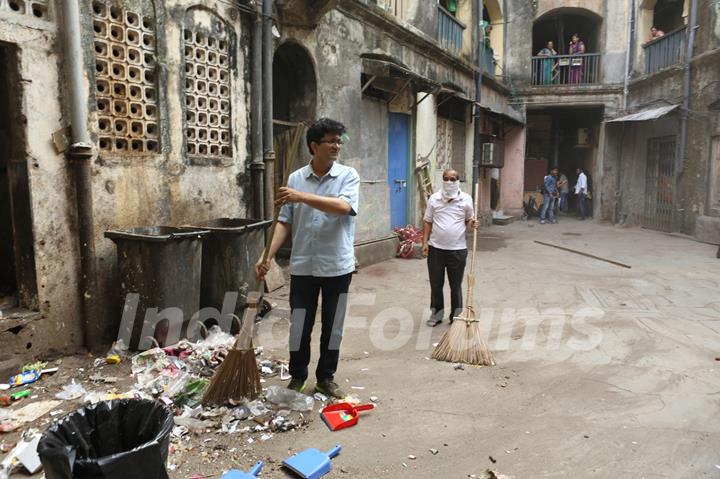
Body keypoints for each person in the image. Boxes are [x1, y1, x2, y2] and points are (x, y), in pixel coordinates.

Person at [255, 118, 359, 399]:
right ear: (314, 146)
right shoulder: (295, 178)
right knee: (299, 324)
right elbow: (284, 222)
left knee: (332, 326)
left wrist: (302, 196)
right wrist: (268, 254)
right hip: (303, 266)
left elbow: (343, 207)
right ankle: (298, 376)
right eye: (331, 141)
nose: (337, 146)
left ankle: (326, 378)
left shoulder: (347, 176)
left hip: (337, 264)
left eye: (339, 141)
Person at [421, 169, 477, 327]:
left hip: (457, 250)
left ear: (458, 181)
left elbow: (469, 221)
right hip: (436, 249)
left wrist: (472, 224)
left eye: (453, 179)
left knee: (455, 285)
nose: (449, 182)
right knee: (436, 284)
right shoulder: (434, 199)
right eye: (446, 179)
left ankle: (456, 316)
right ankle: (437, 314)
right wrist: (425, 242)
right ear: (442, 180)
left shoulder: (466, 199)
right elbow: (427, 221)